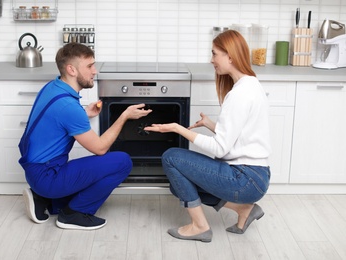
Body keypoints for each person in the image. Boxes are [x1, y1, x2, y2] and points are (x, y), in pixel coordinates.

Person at [144, 30, 271, 242]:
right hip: (256, 176)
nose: (211, 60)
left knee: (171, 157)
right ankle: (244, 209)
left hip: (244, 179)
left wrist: (178, 128)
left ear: (229, 56)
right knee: (178, 185)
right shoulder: (251, 84)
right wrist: (211, 125)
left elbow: (220, 148)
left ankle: (200, 226)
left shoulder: (239, 94)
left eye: (214, 54)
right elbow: (242, 135)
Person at [18, 42, 152, 230]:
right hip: (47, 175)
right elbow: (100, 148)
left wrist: (83, 113)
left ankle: (45, 200)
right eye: (89, 66)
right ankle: (75, 213)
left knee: (95, 168)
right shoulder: (69, 108)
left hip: (37, 171)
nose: (95, 71)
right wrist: (124, 116)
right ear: (71, 69)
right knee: (122, 162)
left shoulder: (53, 87)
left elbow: (57, 118)